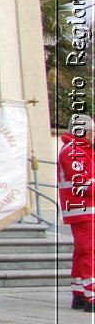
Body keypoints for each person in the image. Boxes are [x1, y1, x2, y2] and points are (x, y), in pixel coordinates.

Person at [58, 114, 94, 310]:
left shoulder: (81, 151)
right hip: (83, 208)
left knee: (83, 252)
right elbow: (84, 183)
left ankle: (80, 292)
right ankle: (91, 295)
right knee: (90, 252)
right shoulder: (73, 152)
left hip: (84, 209)